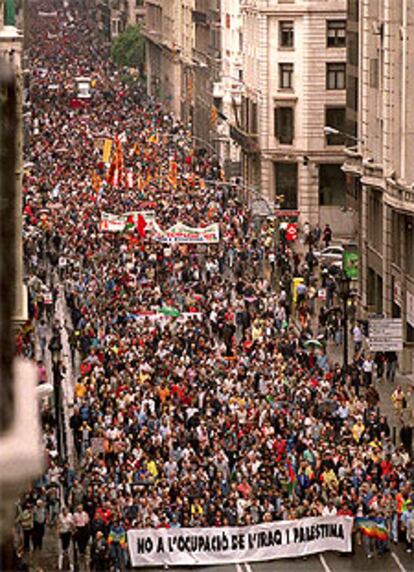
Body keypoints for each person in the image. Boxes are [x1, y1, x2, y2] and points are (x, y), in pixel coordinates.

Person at [57, 506, 74, 570]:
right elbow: (58, 524)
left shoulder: (70, 515)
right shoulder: (60, 516)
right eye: (65, 511)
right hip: (62, 532)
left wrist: (72, 529)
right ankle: (60, 565)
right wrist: (58, 531)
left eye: (67, 511)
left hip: (68, 532)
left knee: (68, 546)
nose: (66, 512)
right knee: (62, 547)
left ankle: (69, 562)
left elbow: (72, 523)